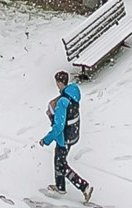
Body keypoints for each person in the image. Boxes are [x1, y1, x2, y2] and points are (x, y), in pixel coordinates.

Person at [41, 69, 90, 199]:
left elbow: (58, 127)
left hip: (65, 137)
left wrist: (46, 140)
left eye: (57, 82)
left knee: (61, 165)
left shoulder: (63, 101)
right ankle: (60, 187)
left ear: (59, 82)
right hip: (73, 133)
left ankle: (84, 186)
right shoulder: (72, 93)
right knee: (59, 160)